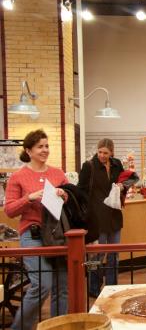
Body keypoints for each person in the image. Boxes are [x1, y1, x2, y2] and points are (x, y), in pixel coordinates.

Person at [4, 129, 68, 330]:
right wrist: (29, 198)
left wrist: (64, 195)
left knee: (62, 287)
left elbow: (71, 199)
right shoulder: (18, 176)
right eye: (40, 146)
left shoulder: (58, 173)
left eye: (47, 146)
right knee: (42, 285)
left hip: (58, 235)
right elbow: (9, 210)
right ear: (28, 151)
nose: (45, 150)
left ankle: (58, 327)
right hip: (32, 235)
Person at [77, 138, 134, 297]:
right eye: (100, 152)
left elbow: (127, 180)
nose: (102, 155)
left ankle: (112, 287)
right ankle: (93, 288)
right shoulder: (88, 166)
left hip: (114, 214)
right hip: (96, 216)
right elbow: (80, 190)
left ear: (112, 153)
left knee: (114, 253)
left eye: (106, 153)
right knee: (97, 254)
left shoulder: (117, 164)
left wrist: (123, 187)